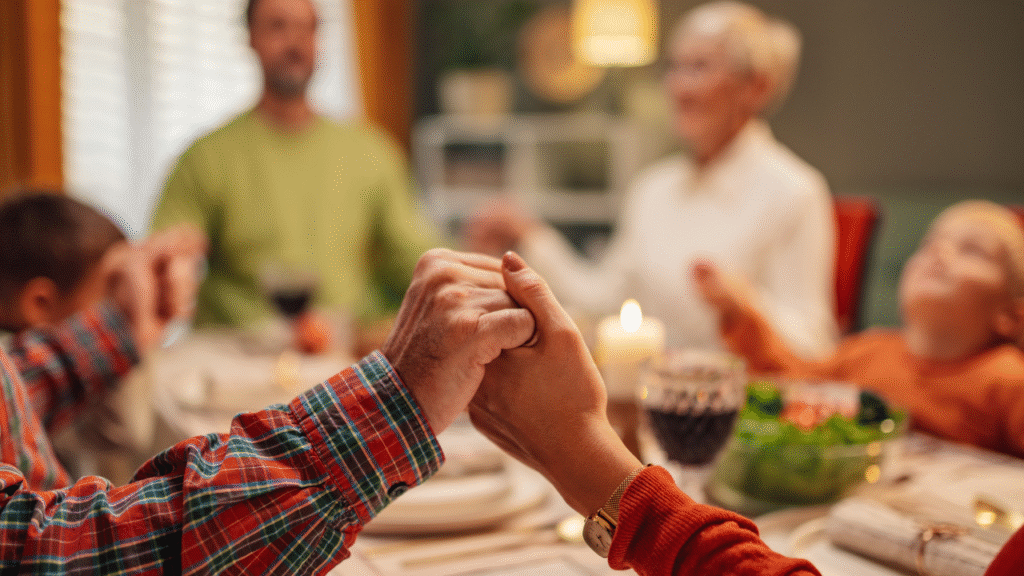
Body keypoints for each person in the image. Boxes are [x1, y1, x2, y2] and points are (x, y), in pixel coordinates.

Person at [467, 0, 837, 358]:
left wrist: (747, 307)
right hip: (654, 398)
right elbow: (605, 302)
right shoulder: (653, 188)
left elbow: (813, 346)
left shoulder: (794, 191)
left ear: (756, 87)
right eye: (674, 68)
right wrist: (531, 237)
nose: (679, 88)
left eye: (699, 68)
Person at [152, 0, 440, 341]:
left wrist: (484, 260)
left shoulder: (371, 152)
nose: (296, 43)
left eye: (309, 28)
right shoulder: (206, 158)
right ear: (250, 38)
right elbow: (165, 257)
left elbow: (415, 256)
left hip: (338, 358)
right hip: (235, 356)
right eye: (278, 26)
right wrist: (174, 268)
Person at [694, 200, 1024, 457]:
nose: (941, 252)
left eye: (973, 250)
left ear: (1010, 314)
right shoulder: (867, 350)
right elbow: (789, 382)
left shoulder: (1009, 381)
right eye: (930, 243)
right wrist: (740, 311)